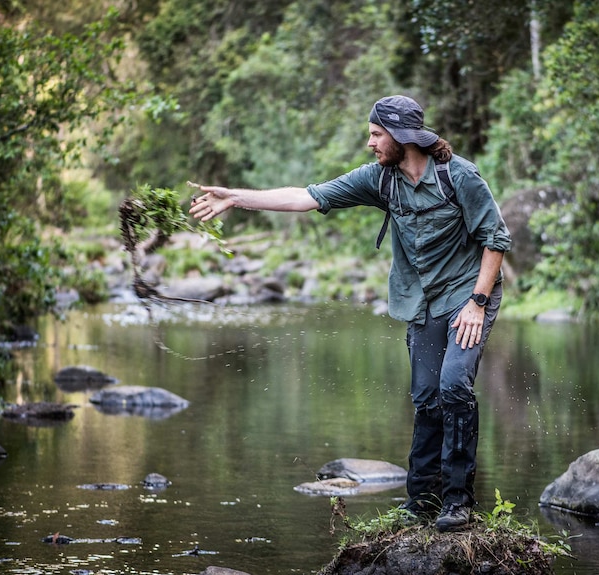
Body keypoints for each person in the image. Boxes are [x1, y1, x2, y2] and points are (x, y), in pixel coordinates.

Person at [189, 95, 511, 532]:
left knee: (453, 386)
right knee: (425, 397)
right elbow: (306, 197)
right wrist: (237, 198)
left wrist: (477, 302)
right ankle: (422, 503)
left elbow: (495, 238)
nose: (370, 142)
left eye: (376, 134)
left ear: (400, 136)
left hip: (468, 293)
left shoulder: (460, 176)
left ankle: (457, 503)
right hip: (421, 300)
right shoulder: (380, 179)